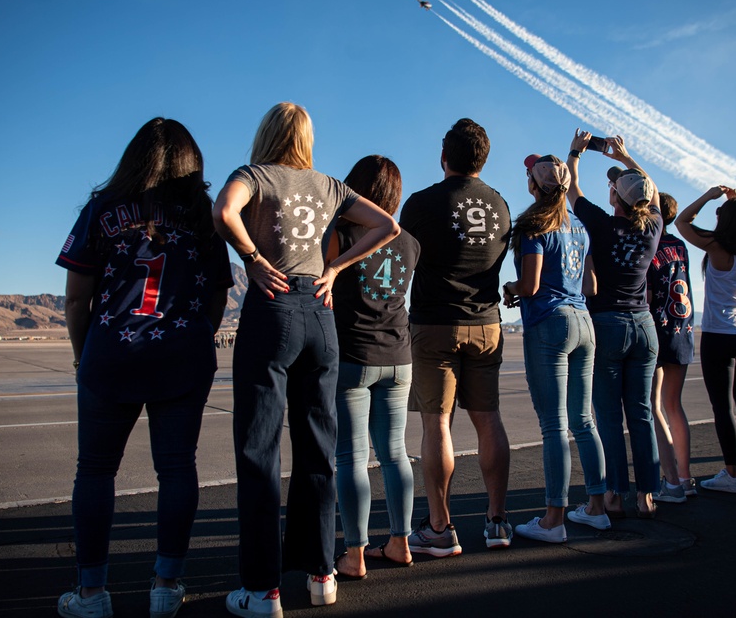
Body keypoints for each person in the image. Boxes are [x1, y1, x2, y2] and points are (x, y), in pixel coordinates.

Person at [213, 103, 399, 617]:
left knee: (259, 452)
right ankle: (322, 575)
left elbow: (225, 211)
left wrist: (252, 259)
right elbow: (386, 225)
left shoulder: (254, 176)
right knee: (319, 448)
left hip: (272, 308)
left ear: (266, 133)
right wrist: (335, 268)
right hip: (320, 315)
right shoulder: (330, 186)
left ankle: (261, 590)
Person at [55, 118, 232, 618]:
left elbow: (75, 299)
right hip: (181, 355)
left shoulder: (101, 209)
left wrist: (81, 352)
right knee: (177, 469)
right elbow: (219, 293)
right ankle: (165, 585)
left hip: (110, 355)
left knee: (94, 470)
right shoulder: (202, 215)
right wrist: (197, 332)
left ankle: (91, 594)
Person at [400, 118, 513, 555]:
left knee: (437, 424)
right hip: (486, 324)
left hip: (435, 323)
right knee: (489, 420)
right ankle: (498, 520)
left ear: (444, 157)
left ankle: (440, 527)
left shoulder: (423, 203)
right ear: (483, 159)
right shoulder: (500, 204)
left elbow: (403, 258)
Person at [502, 154, 609, 543]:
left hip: (550, 323)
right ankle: (597, 508)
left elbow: (528, 287)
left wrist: (511, 290)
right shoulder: (579, 225)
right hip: (584, 321)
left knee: (553, 427)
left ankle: (554, 518)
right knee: (584, 421)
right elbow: (591, 286)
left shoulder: (533, 226)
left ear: (534, 185)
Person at [329, 155, 418, 579]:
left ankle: (355, 554)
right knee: (395, 453)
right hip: (399, 356)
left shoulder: (342, 233)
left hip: (354, 355)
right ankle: (400, 542)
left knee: (351, 457)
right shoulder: (409, 243)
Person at [567, 130, 662, 519]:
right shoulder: (653, 227)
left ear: (616, 199)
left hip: (607, 324)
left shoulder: (601, 224)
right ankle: (648, 495)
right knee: (640, 412)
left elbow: (571, 187)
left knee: (608, 416)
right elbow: (651, 194)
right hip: (644, 324)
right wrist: (626, 158)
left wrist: (575, 151)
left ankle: (615, 495)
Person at [676, 186, 736, 494]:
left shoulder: (717, 247)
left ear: (725, 222)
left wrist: (708, 197)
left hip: (721, 333)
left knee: (723, 407)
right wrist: (735, 203)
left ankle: (731, 475)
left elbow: (682, 221)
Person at [647, 193, 697, 503]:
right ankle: (686, 477)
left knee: (654, 408)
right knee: (675, 406)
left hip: (659, 328)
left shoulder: (651, 246)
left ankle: (670, 480)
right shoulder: (680, 246)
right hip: (684, 327)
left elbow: (649, 294)